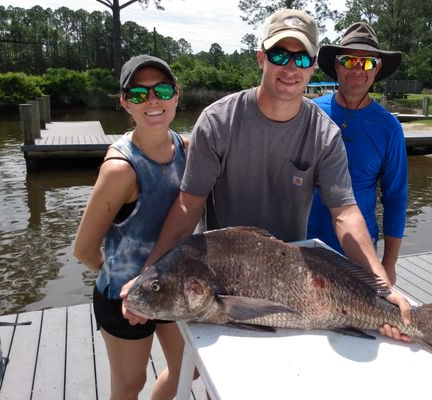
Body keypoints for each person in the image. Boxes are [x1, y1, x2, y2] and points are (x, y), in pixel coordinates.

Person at [121, 9, 411, 341]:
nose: (290, 68)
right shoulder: (217, 122)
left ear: (314, 66)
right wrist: (151, 272)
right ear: (261, 57)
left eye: (302, 59)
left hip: (290, 282)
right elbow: (189, 205)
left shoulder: (325, 134)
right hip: (220, 279)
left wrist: (381, 282)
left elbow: (345, 212)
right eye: (279, 55)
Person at [73, 54, 186, 400]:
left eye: (162, 89)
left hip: (169, 287)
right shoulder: (121, 169)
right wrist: (129, 292)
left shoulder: (185, 146)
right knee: (128, 385)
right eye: (139, 94)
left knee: (189, 369)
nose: (152, 100)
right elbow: (83, 249)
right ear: (125, 103)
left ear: (176, 94)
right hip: (122, 297)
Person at [307, 22, 408, 285]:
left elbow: (396, 198)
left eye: (366, 63)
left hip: (359, 254)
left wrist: (388, 264)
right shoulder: (308, 113)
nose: (357, 70)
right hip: (304, 245)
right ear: (337, 65)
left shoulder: (389, 128)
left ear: (377, 69)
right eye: (350, 60)